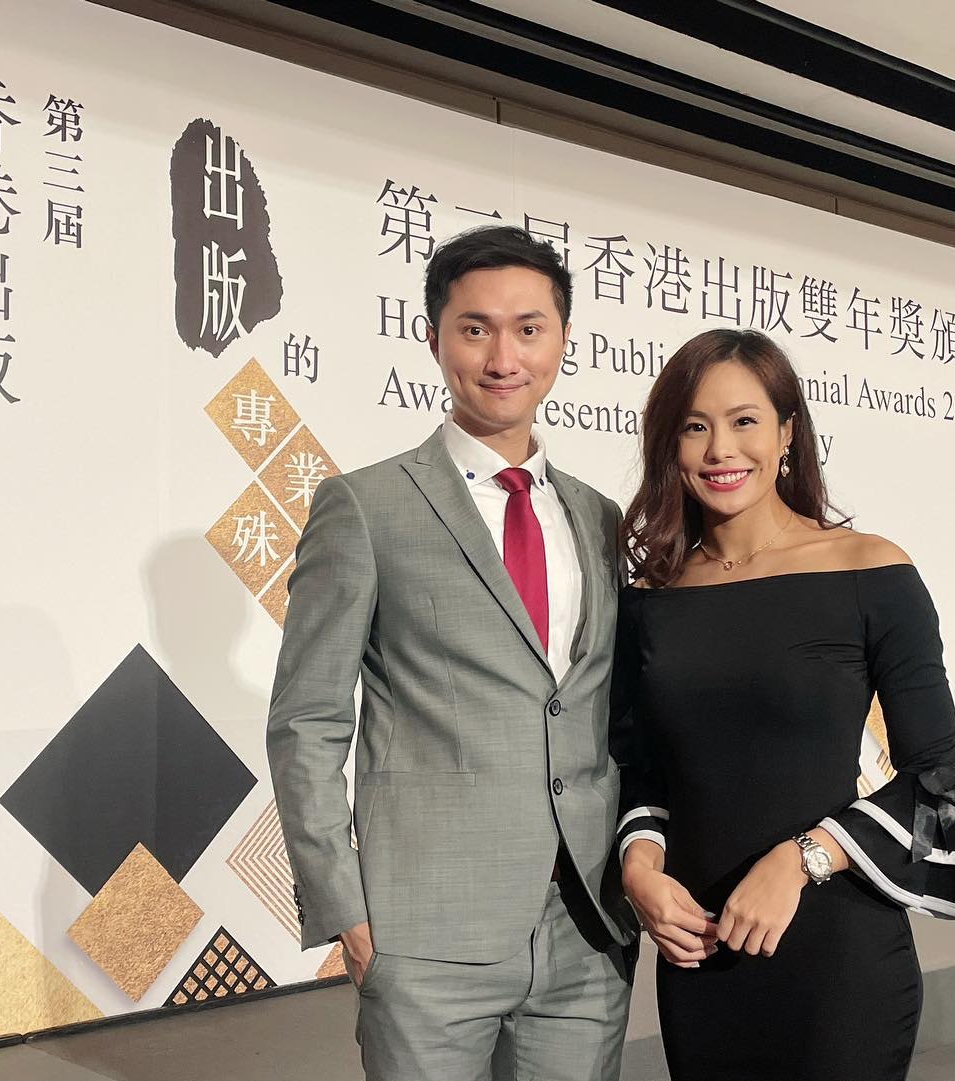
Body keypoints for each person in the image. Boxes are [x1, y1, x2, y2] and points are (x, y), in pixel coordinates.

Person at [266, 225, 635, 1081]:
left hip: (587, 923)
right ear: (433, 338)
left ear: (563, 341)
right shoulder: (364, 505)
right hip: (423, 929)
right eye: (475, 329)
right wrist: (343, 902)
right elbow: (307, 719)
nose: (504, 356)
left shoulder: (601, 517)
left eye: (529, 328)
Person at [613, 328, 955, 1081]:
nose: (721, 450)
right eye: (694, 427)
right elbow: (642, 770)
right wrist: (641, 870)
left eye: (744, 421)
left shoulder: (871, 570)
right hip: (700, 955)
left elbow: (934, 777)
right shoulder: (650, 598)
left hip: (837, 950)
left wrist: (798, 861)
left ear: (788, 431)